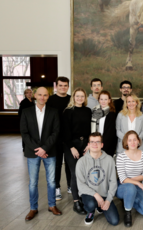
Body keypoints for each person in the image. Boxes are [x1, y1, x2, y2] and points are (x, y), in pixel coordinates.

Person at [20, 87, 62, 221]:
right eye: (40, 95)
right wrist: (38, 149)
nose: (42, 97)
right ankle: (33, 208)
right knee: (33, 182)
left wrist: (44, 148)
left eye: (45, 95)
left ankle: (52, 205)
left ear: (48, 97)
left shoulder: (53, 112)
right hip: (33, 152)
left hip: (50, 151)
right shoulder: (26, 112)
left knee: (51, 181)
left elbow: (56, 132)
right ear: (35, 96)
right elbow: (24, 133)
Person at [76, 132, 119, 226]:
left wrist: (108, 200)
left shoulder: (109, 160)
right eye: (92, 142)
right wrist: (96, 195)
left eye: (97, 142)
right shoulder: (81, 162)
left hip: (104, 194)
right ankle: (91, 212)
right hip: (89, 194)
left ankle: (100, 206)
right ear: (88, 144)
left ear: (102, 145)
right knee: (91, 204)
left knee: (114, 221)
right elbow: (81, 185)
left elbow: (113, 182)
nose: (94, 144)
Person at [62, 87, 92, 215]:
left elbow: (91, 129)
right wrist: (72, 147)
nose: (80, 98)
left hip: (85, 144)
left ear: (85, 98)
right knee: (75, 173)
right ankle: (76, 202)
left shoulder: (88, 111)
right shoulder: (68, 112)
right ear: (73, 97)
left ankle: (83, 197)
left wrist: (89, 144)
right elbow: (64, 131)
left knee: (85, 173)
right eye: (77, 96)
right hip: (71, 145)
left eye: (82, 96)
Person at [116, 131, 143, 227]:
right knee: (130, 187)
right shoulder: (121, 156)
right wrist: (139, 183)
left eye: (134, 139)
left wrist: (133, 181)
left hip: (135, 185)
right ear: (126, 142)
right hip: (122, 187)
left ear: (138, 141)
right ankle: (128, 213)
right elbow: (122, 179)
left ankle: (129, 200)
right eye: (130, 140)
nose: (132, 142)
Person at [46, 77, 72, 201]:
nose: (63, 87)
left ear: (68, 86)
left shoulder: (71, 99)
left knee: (69, 162)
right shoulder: (50, 100)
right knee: (56, 164)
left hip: (68, 137)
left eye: (65, 85)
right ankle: (56, 187)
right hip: (55, 138)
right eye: (60, 85)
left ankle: (70, 185)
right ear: (56, 86)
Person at [91, 91, 117, 157]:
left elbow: (110, 134)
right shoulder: (94, 111)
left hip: (107, 145)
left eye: (106, 99)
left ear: (109, 100)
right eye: (101, 99)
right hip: (94, 144)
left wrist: (101, 146)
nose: (103, 101)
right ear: (99, 100)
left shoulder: (112, 114)